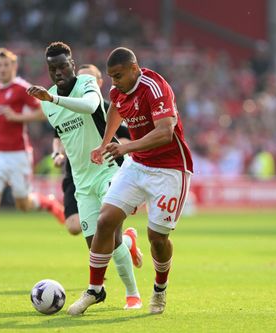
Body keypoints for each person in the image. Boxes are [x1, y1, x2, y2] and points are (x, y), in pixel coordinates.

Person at [67, 47, 194, 315]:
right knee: (105, 221)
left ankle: (160, 289)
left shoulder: (155, 87)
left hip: (170, 169)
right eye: (111, 76)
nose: (114, 82)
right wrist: (104, 144)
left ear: (134, 69)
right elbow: (115, 108)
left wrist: (125, 147)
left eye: (119, 75)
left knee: (157, 238)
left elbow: (165, 132)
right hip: (138, 165)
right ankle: (95, 290)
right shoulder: (118, 91)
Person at [26, 42, 142, 309]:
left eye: (63, 66)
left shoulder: (86, 83)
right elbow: (66, 135)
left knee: (107, 231)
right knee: (99, 248)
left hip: (109, 169)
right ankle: (128, 241)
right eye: (52, 68)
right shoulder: (47, 103)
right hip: (82, 181)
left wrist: (52, 98)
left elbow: (91, 107)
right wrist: (58, 152)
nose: (58, 72)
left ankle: (132, 295)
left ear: (72, 65)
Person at [0, 48, 65, 261]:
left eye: (6, 65)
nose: (2, 69)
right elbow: (1, 114)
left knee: (23, 204)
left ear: (14, 67)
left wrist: (17, 117)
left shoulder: (22, 89)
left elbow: (44, 112)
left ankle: (49, 204)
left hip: (18, 154)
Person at [53, 63, 133, 238]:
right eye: (80, 79)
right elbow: (58, 135)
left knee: (104, 227)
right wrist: (57, 153)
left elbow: (128, 136)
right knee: (74, 227)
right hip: (76, 174)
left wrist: (116, 148)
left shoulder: (106, 108)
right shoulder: (67, 108)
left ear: (99, 82)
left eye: (89, 79)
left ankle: (121, 244)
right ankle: (128, 242)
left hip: (102, 171)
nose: (84, 82)